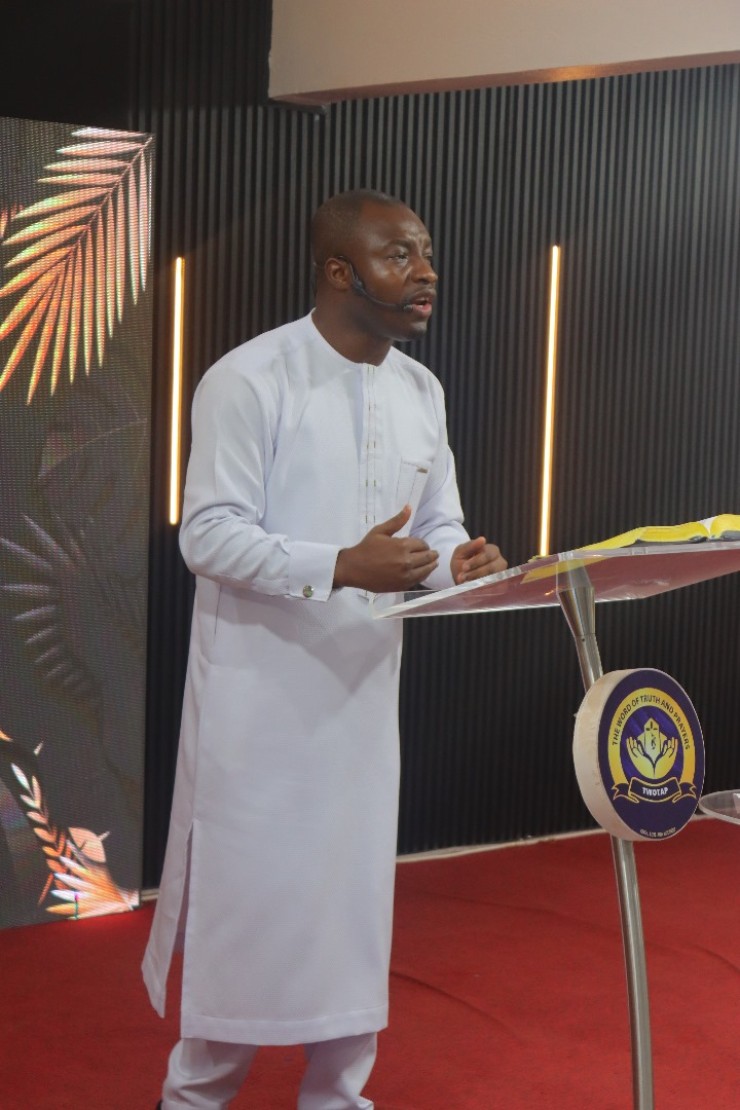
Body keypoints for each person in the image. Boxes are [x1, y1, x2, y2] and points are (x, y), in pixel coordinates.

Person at [143, 188, 507, 1109]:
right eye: (399, 256)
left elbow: (436, 527)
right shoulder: (249, 378)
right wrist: (340, 565)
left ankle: (338, 1097)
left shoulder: (421, 390)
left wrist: (458, 563)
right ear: (340, 272)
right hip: (257, 712)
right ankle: (194, 1099)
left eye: (426, 253)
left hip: (361, 708)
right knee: (249, 917)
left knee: (351, 914)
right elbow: (207, 536)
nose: (425, 274)